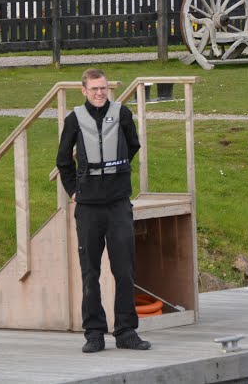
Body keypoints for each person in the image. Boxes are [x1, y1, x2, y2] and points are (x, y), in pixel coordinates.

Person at [56, 68, 151, 354]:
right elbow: (63, 161)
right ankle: (94, 333)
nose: (100, 93)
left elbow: (133, 145)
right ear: (83, 91)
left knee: (124, 270)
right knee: (90, 273)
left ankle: (126, 331)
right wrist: (75, 190)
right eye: (94, 89)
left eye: (104, 88)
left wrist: (116, 175)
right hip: (88, 208)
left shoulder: (122, 114)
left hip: (118, 204)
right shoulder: (74, 120)